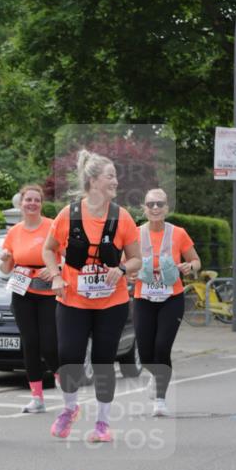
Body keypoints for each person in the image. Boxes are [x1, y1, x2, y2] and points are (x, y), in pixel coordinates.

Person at [42, 150, 141, 443]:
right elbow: (49, 249)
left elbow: (137, 259)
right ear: (93, 180)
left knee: (103, 360)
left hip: (112, 302)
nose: (116, 181)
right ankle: (70, 409)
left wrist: (122, 268)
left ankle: (102, 423)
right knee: (68, 356)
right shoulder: (68, 215)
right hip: (73, 299)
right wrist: (57, 275)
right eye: (111, 175)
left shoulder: (121, 217)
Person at [132, 189, 200, 416]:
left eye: (159, 203)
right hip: (144, 298)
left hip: (171, 298)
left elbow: (195, 260)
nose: (155, 208)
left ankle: (160, 400)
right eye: (150, 204)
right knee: (146, 351)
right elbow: (126, 263)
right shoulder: (135, 234)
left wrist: (191, 267)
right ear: (144, 208)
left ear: (167, 207)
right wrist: (128, 273)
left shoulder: (178, 233)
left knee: (162, 347)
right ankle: (154, 374)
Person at [0, 183, 60, 413]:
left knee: (49, 344)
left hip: (47, 291)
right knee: (29, 343)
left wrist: (57, 268)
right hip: (22, 290)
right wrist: (5, 258)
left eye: (36, 200)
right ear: (21, 203)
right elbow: (6, 269)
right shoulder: (14, 232)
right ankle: (37, 398)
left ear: (41, 204)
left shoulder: (53, 227)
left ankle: (65, 387)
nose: (32, 204)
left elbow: (68, 256)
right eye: (28, 200)